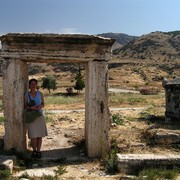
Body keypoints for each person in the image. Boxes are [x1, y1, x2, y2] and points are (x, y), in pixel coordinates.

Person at [24, 78, 48, 158]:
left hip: (40, 116)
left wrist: (39, 107)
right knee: (33, 135)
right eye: (32, 84)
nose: (33, 86)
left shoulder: (40, 94)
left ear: (36, 85)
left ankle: (38, 151)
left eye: (34, 84)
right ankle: (34, 151)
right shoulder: (27, 95)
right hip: (31, 116)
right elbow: (25, 106)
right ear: (29, 85)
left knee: (39, 135)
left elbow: (43, 104)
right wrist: (32, 108)